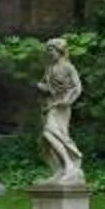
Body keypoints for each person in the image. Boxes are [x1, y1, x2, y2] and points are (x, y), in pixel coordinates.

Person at [37, 36, 85, 184]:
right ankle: (60, 169)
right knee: (50, 137)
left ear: (60, 51)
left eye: (53, 50)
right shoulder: (50, 68)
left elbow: (77, 87)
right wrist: (42, 87)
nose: (50, 53)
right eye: (48, 50)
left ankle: (70, 165)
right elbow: (48, 86)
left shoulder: (68, 67)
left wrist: (67, 100)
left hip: (61, 107)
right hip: (50, 105)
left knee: (50, 133)